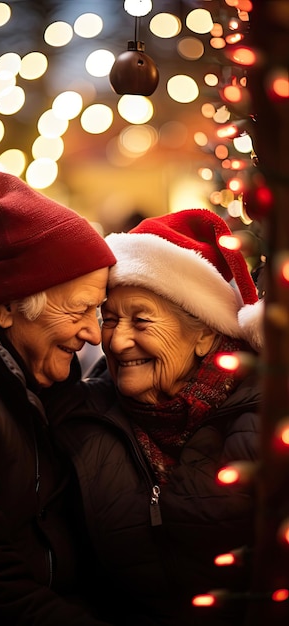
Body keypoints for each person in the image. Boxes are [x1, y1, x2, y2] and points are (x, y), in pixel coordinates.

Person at [55, 209, 264, 626]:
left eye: (141, 319)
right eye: (109, 319)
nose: (115, 340)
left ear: (204, 332)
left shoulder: (263, 419)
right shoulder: (81, 422)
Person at [0, 171, 118, 626]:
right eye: (78, 310)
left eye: (97, 311)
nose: (95, 333)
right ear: (5, 307)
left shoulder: (42, 381)